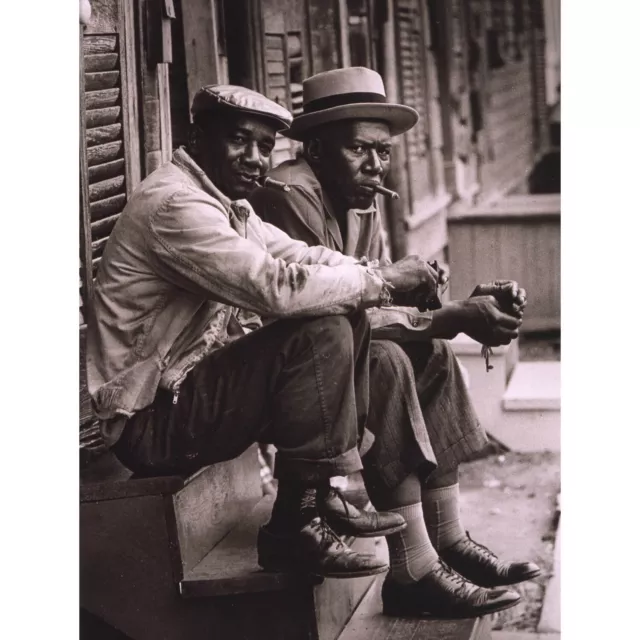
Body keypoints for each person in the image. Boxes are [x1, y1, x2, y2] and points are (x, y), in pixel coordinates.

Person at [86, 84, 447, 584]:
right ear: (198, 136)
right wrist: (384, 282)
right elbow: (277, 287)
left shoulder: (226, 204)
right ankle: (293, 528)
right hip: (148, 424)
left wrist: (382, 275)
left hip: (183, 398)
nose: (255, 159)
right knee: (321, 326)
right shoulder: (176, 206)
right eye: (240, 141)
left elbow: (299, 257)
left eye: (265, 147)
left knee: (345, 310)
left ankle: (320, 498)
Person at [250, 67, 540, 619]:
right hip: (280, 380)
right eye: (360, 150)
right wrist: (450, 316)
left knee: (428, 354)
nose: (376, 167)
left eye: (383, 153)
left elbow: (378, 303)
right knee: (386, 361)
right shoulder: (287, 197)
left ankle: (447, 538)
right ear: (314, 146)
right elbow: (336, 324)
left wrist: (451, 308)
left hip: (329, 370)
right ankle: (412, 569)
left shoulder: (360, 198)